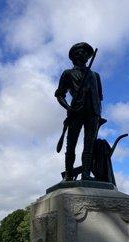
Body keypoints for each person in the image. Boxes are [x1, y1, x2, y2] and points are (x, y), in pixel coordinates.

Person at [55, 42, 103, 180]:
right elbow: (60, 94)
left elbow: (99, 98)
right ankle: (69, 174)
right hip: (76, 112)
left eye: (86, 53)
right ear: (74, 56)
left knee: (89, 145)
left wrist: (99, 115)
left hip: (93, 113)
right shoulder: (68, 73)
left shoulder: (96, 75)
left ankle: (86, 174)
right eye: (81, 52)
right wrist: (68, 108)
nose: (84, 54)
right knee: (71, 145)